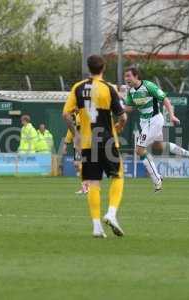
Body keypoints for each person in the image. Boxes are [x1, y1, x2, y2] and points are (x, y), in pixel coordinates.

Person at [63, 55, 127, 238]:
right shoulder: (109, 88)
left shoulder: (78, 87)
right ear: (103, 67)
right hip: (106, 140)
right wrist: (119, 127)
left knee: (93, 183)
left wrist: (75, 135)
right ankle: (112, 213)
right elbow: (122, 116)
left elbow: (66, 114)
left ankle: (97, 227)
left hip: (87, 142)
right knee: (118, 176)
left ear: (88, 68)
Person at [123, 66, 189, 192]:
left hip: (154, 120)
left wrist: (172, 115)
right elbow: (129, 108)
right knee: (158, 147)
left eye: (128, 76)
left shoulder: (148, 86)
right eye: (125, 76)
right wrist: (115, 107)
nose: (126, 79)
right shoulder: (131, 91)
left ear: (136, 76)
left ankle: (157, 179)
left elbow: (165, 99)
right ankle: (188, 154)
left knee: (139, 150)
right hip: (145, 122)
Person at [62, 117, 89, 195]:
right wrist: (66, 144)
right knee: (77, 165)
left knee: (82, 165)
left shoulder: (83, 115)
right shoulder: (75, 117)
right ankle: (84, 186)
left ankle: (87, 186)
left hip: (85, 143)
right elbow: (71, 131)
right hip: (77, 144)